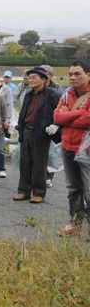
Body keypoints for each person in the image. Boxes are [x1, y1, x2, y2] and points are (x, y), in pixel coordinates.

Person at [53, 61, 90, 237]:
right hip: (68, 146)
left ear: (88, 74)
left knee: (89, 190)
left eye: (77, 74)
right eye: (70, 74)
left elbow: (88, 120)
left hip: (87, 149)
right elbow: (57, 117)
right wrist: (78, 113)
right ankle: (75, 223)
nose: (73, 77)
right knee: (73, 188)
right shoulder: (67, 94)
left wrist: (67, 117)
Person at [14, 66, 61, 203]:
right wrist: (20, 128)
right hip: (26, 131)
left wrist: (55, 125)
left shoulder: (52, 94)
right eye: (29, 78)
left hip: (41, 133)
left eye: (34, 77)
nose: (30, 80)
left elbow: (61, 111)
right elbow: (23, 112)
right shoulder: (28, 94)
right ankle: (23, 191)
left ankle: (39, 192)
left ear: (44, 79)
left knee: (39, 164)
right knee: (25, 163)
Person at [42, 64, 63, 188]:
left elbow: (61, 108)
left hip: (52, 126)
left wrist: (56, 124)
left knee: (51, 154)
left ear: (49, 75)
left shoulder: (57, 89)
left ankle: (49, 177)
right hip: (39, 125)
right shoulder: (35, 88)